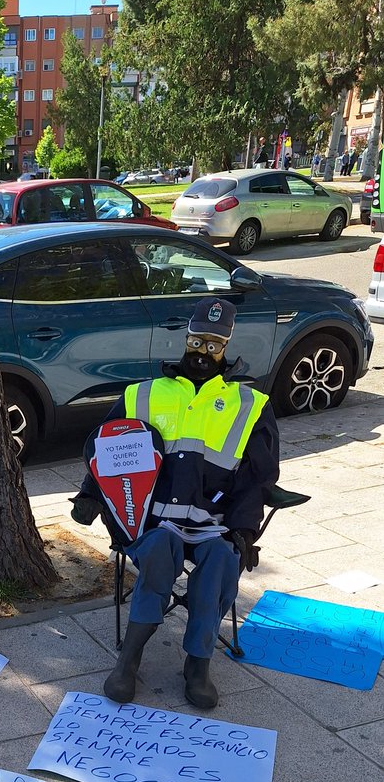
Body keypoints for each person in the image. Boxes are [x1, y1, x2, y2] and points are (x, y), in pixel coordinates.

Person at [72, 297, 279, 709]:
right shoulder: (143, 394)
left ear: (226, 347)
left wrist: (244, 530)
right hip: (151, 522)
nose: (203, 352)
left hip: (212, 524)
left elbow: (259, 478)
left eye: (213, 345)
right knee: (162, 548)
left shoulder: (250, 405)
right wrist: (88, 495)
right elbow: (110, 454)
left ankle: (198, 664)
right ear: (185, 340)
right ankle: (129, 660)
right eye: (197, 341)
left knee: (221, 558)